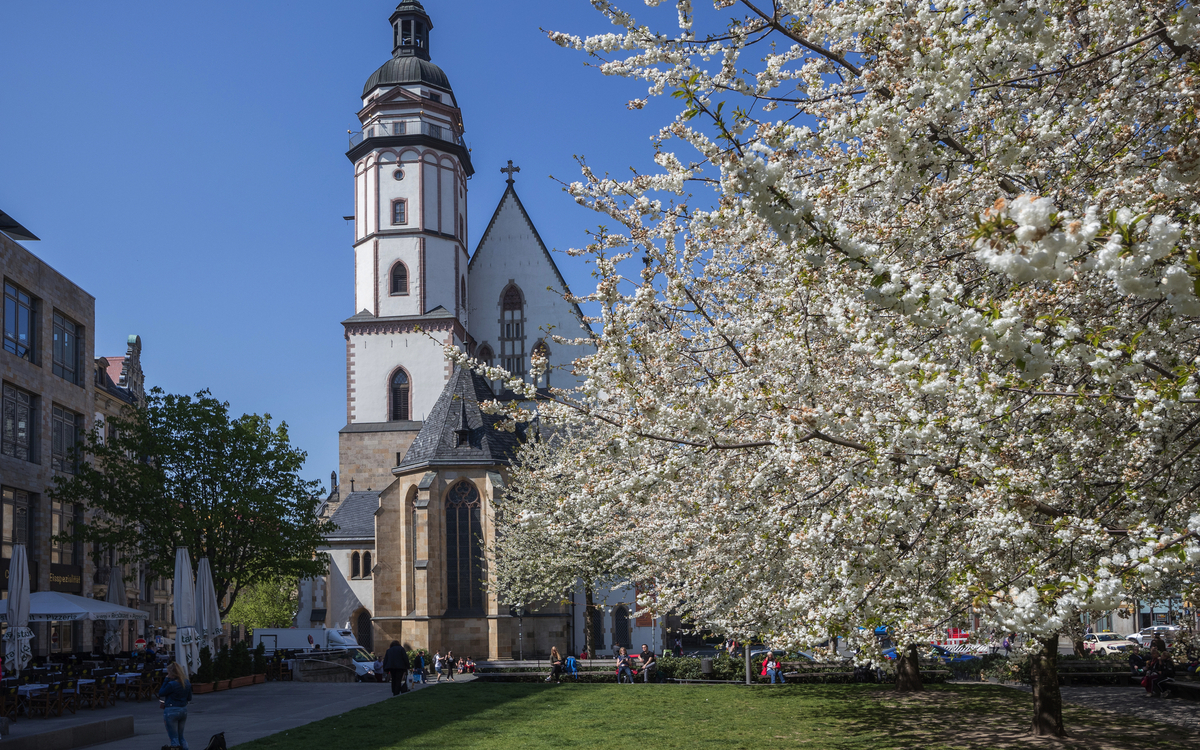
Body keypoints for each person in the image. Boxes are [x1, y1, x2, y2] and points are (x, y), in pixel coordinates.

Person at [158, 661, 192, 750]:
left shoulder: (171, 684)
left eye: (168, 673)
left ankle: (176, 748)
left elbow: (161, 692)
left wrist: (165, 680)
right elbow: (189, 698)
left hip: (171, 710)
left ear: (172, 673)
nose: (168, 674)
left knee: (174, 738)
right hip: (183, 709)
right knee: (181, 736)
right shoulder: (186, 683)